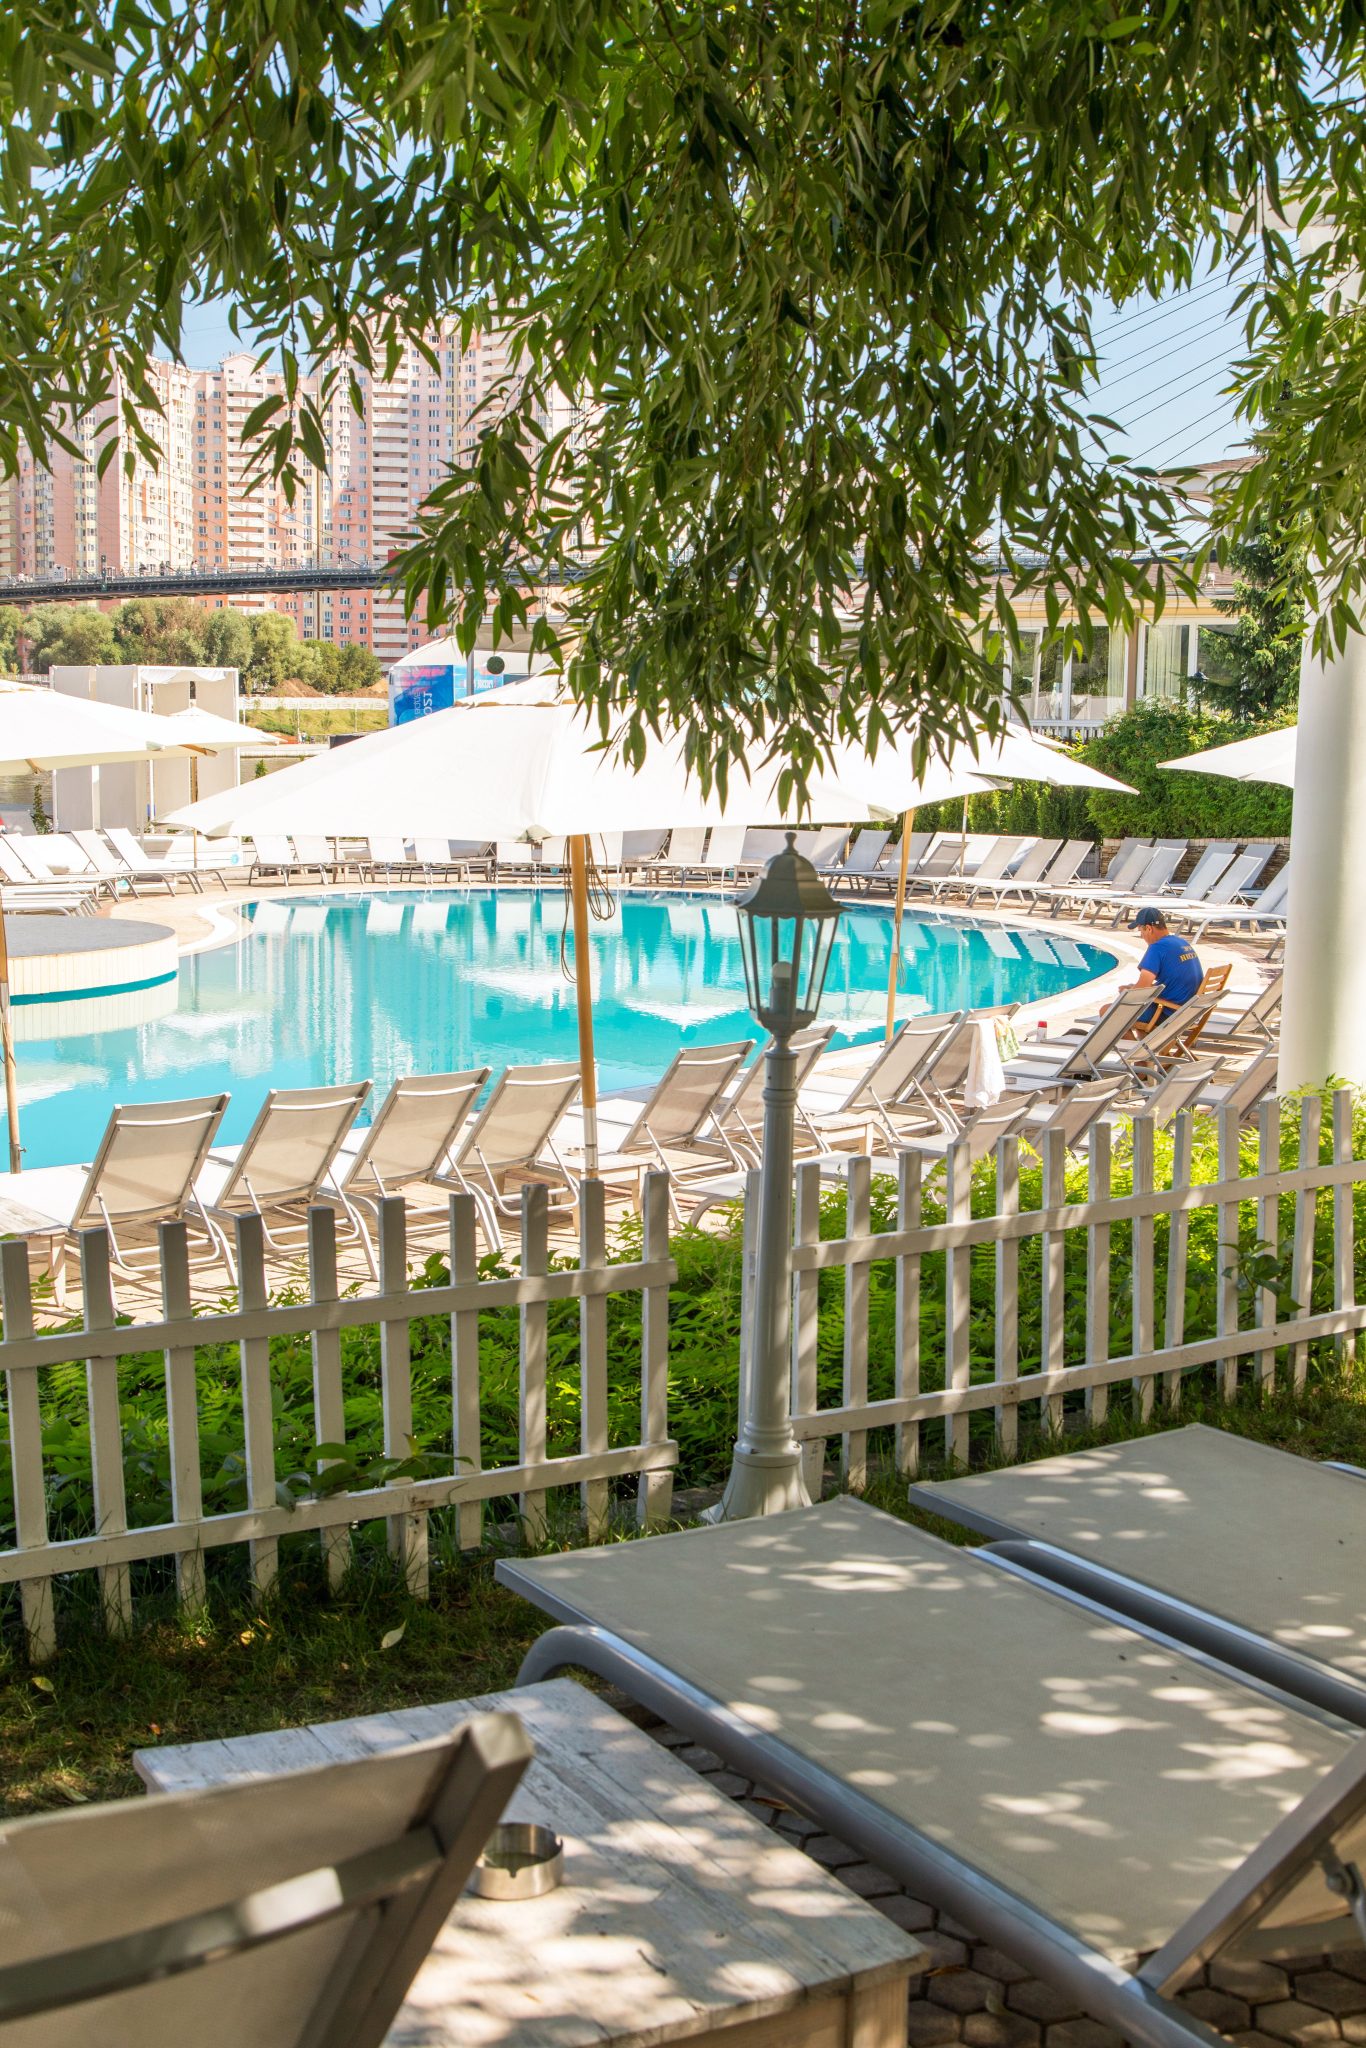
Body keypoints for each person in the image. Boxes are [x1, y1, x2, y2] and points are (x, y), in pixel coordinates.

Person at [1129, 907, 1202, 1031]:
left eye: (1140, 930)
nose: (1141, 935)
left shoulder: (1157, 948)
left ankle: (1137, 1049)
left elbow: (1142, 987)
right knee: (1134, 1011)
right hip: (1188, 1011)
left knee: (1108, 1012)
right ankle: (1145, 1048)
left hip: (1169, 1012)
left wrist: (1129, 991)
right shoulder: (1181, 942)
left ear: (1149, 928)